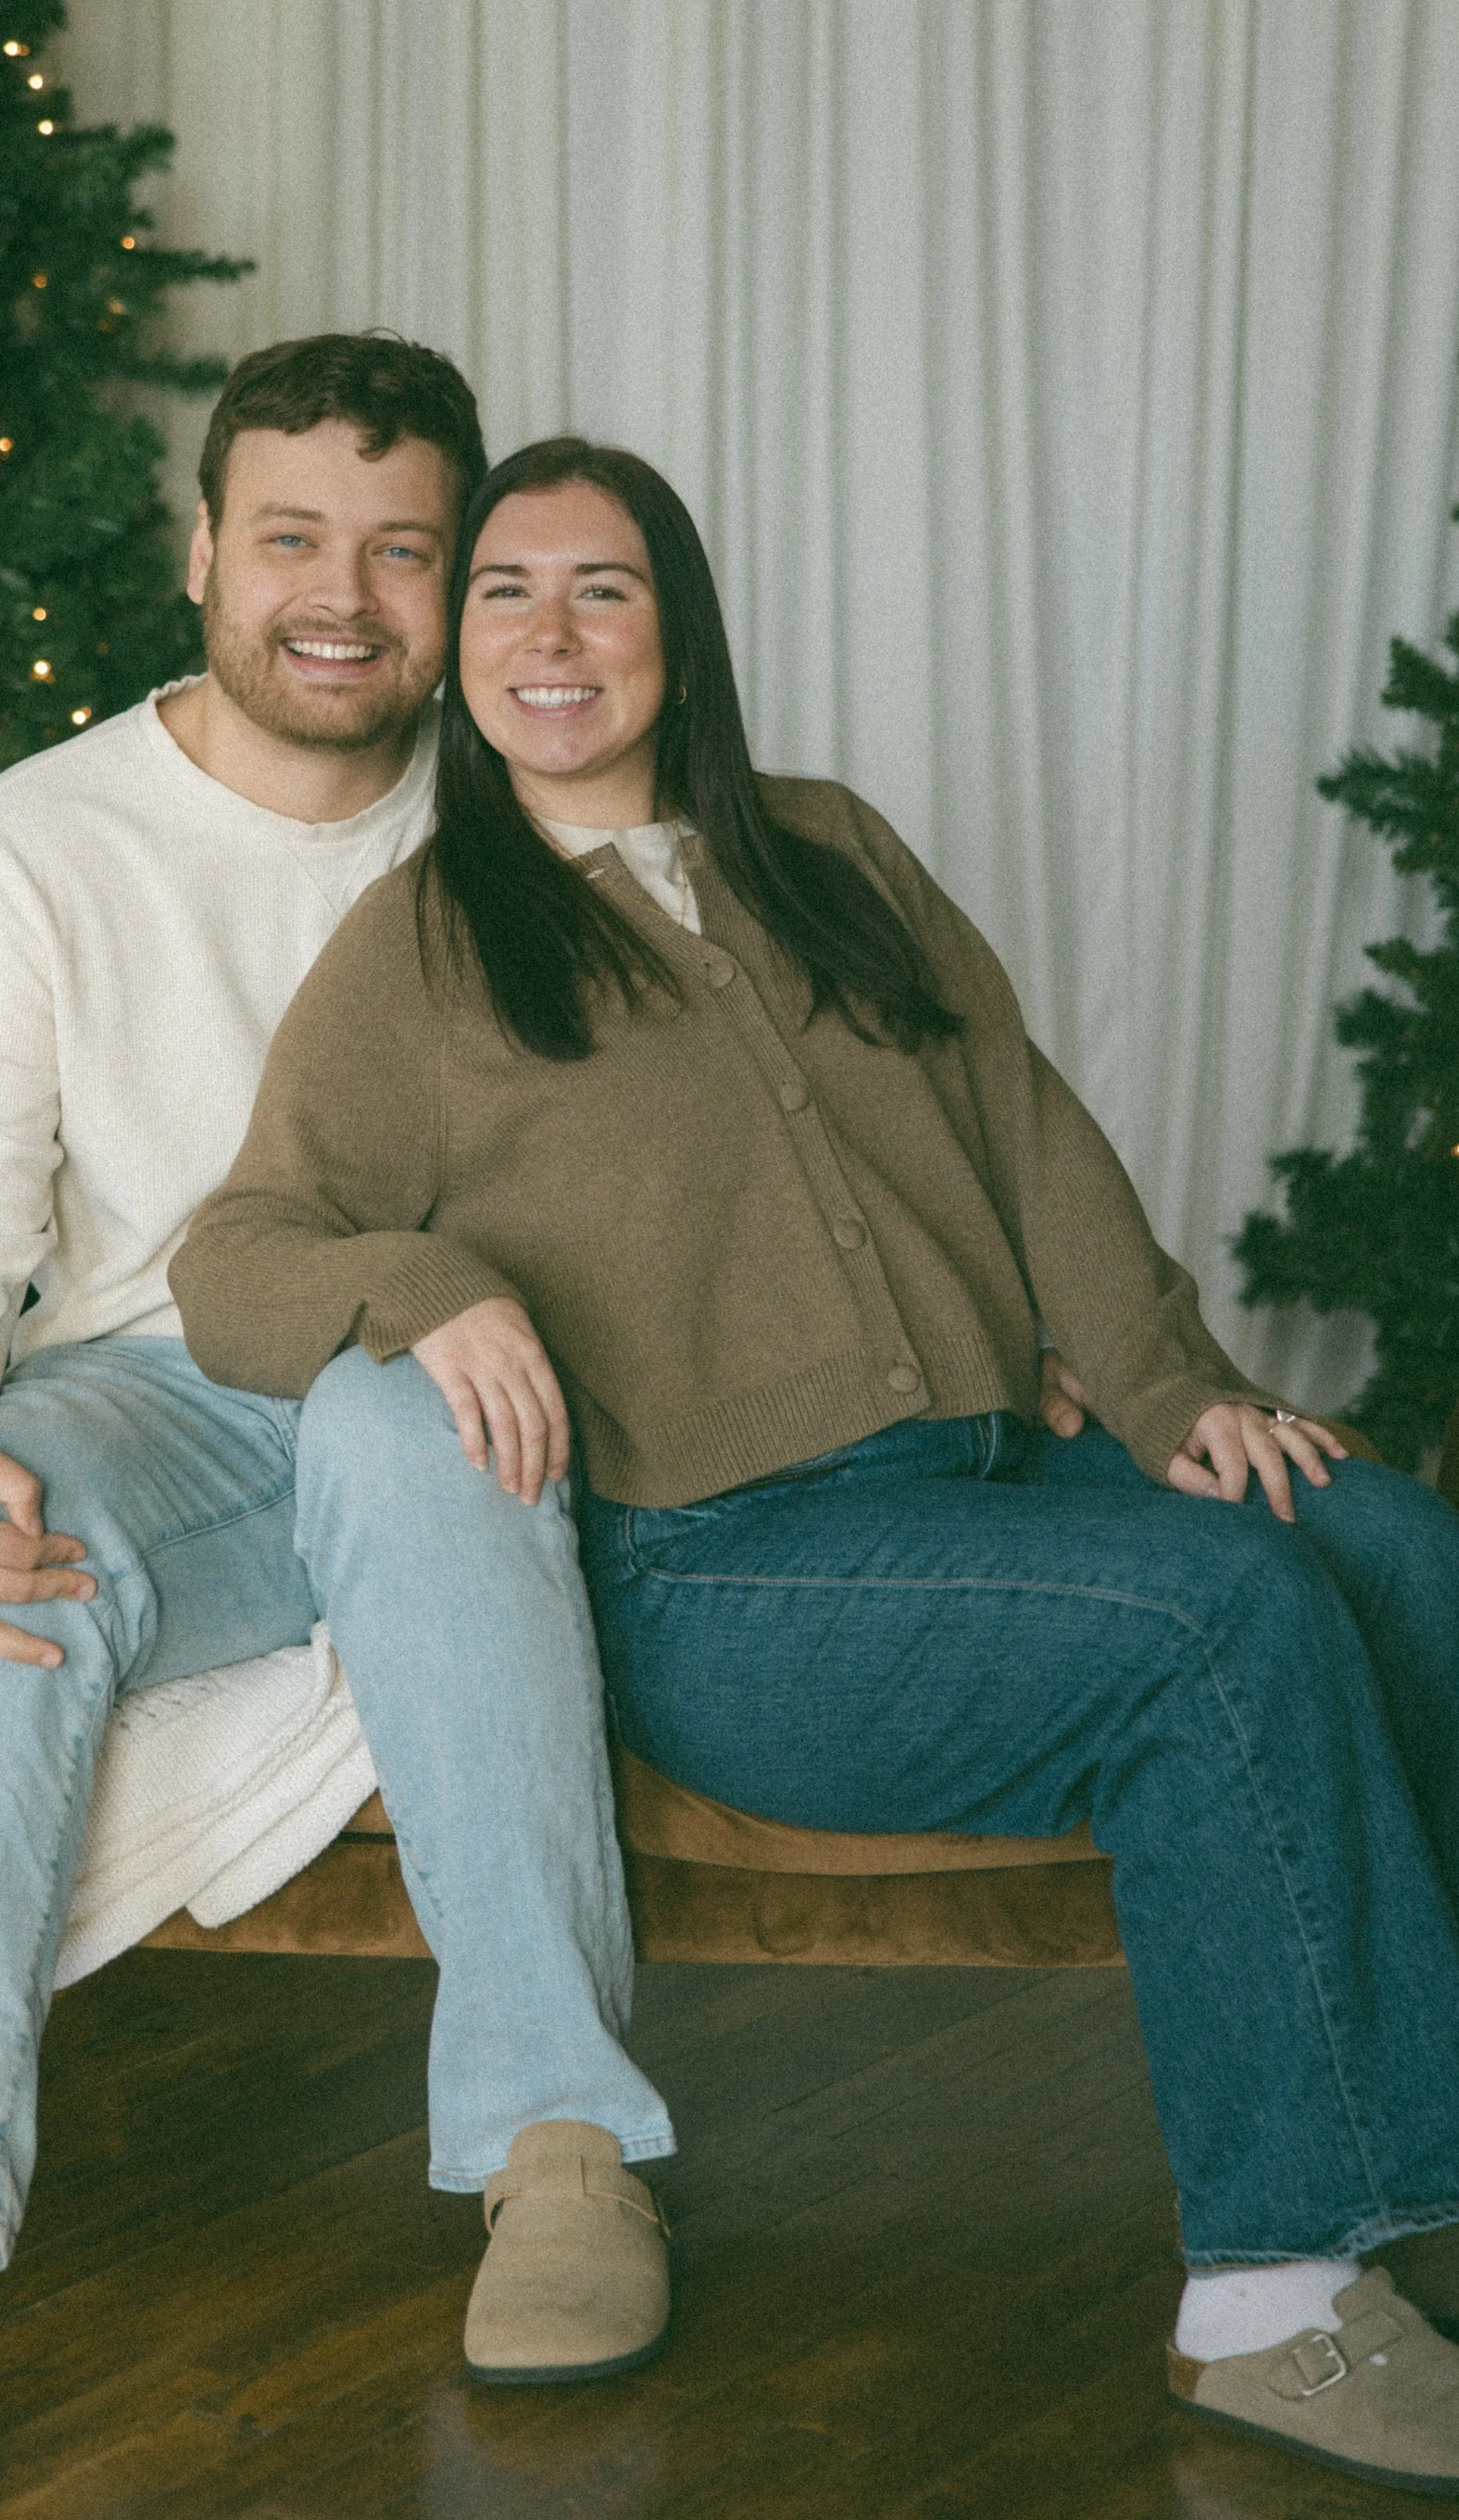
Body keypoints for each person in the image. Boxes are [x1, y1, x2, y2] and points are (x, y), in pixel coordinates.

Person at [172, 434, 1459, 2499]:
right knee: (1208, 1615)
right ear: (454, 649)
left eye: (600, 588)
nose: (547, 635)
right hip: (723, 1574)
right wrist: (425, 1284)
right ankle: (1274, 2296)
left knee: (1375, 1533)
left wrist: (1166, 1388)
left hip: (983, 1485)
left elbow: (1026, 1126)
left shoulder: (825, 847)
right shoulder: (420, 949)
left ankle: (1407, 2178)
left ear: (676, 634)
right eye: (501, 590)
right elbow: (233, 1257)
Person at [0, 340, 690, 2520]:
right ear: (204, 551)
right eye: (292, 538)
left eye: (405, 550)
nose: (346, 595)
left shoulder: (520, 807)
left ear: (458, 582)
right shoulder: (39, 842)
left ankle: (555, 2145)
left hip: (449, 1380)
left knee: (421, 1431)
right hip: (158, 1396)